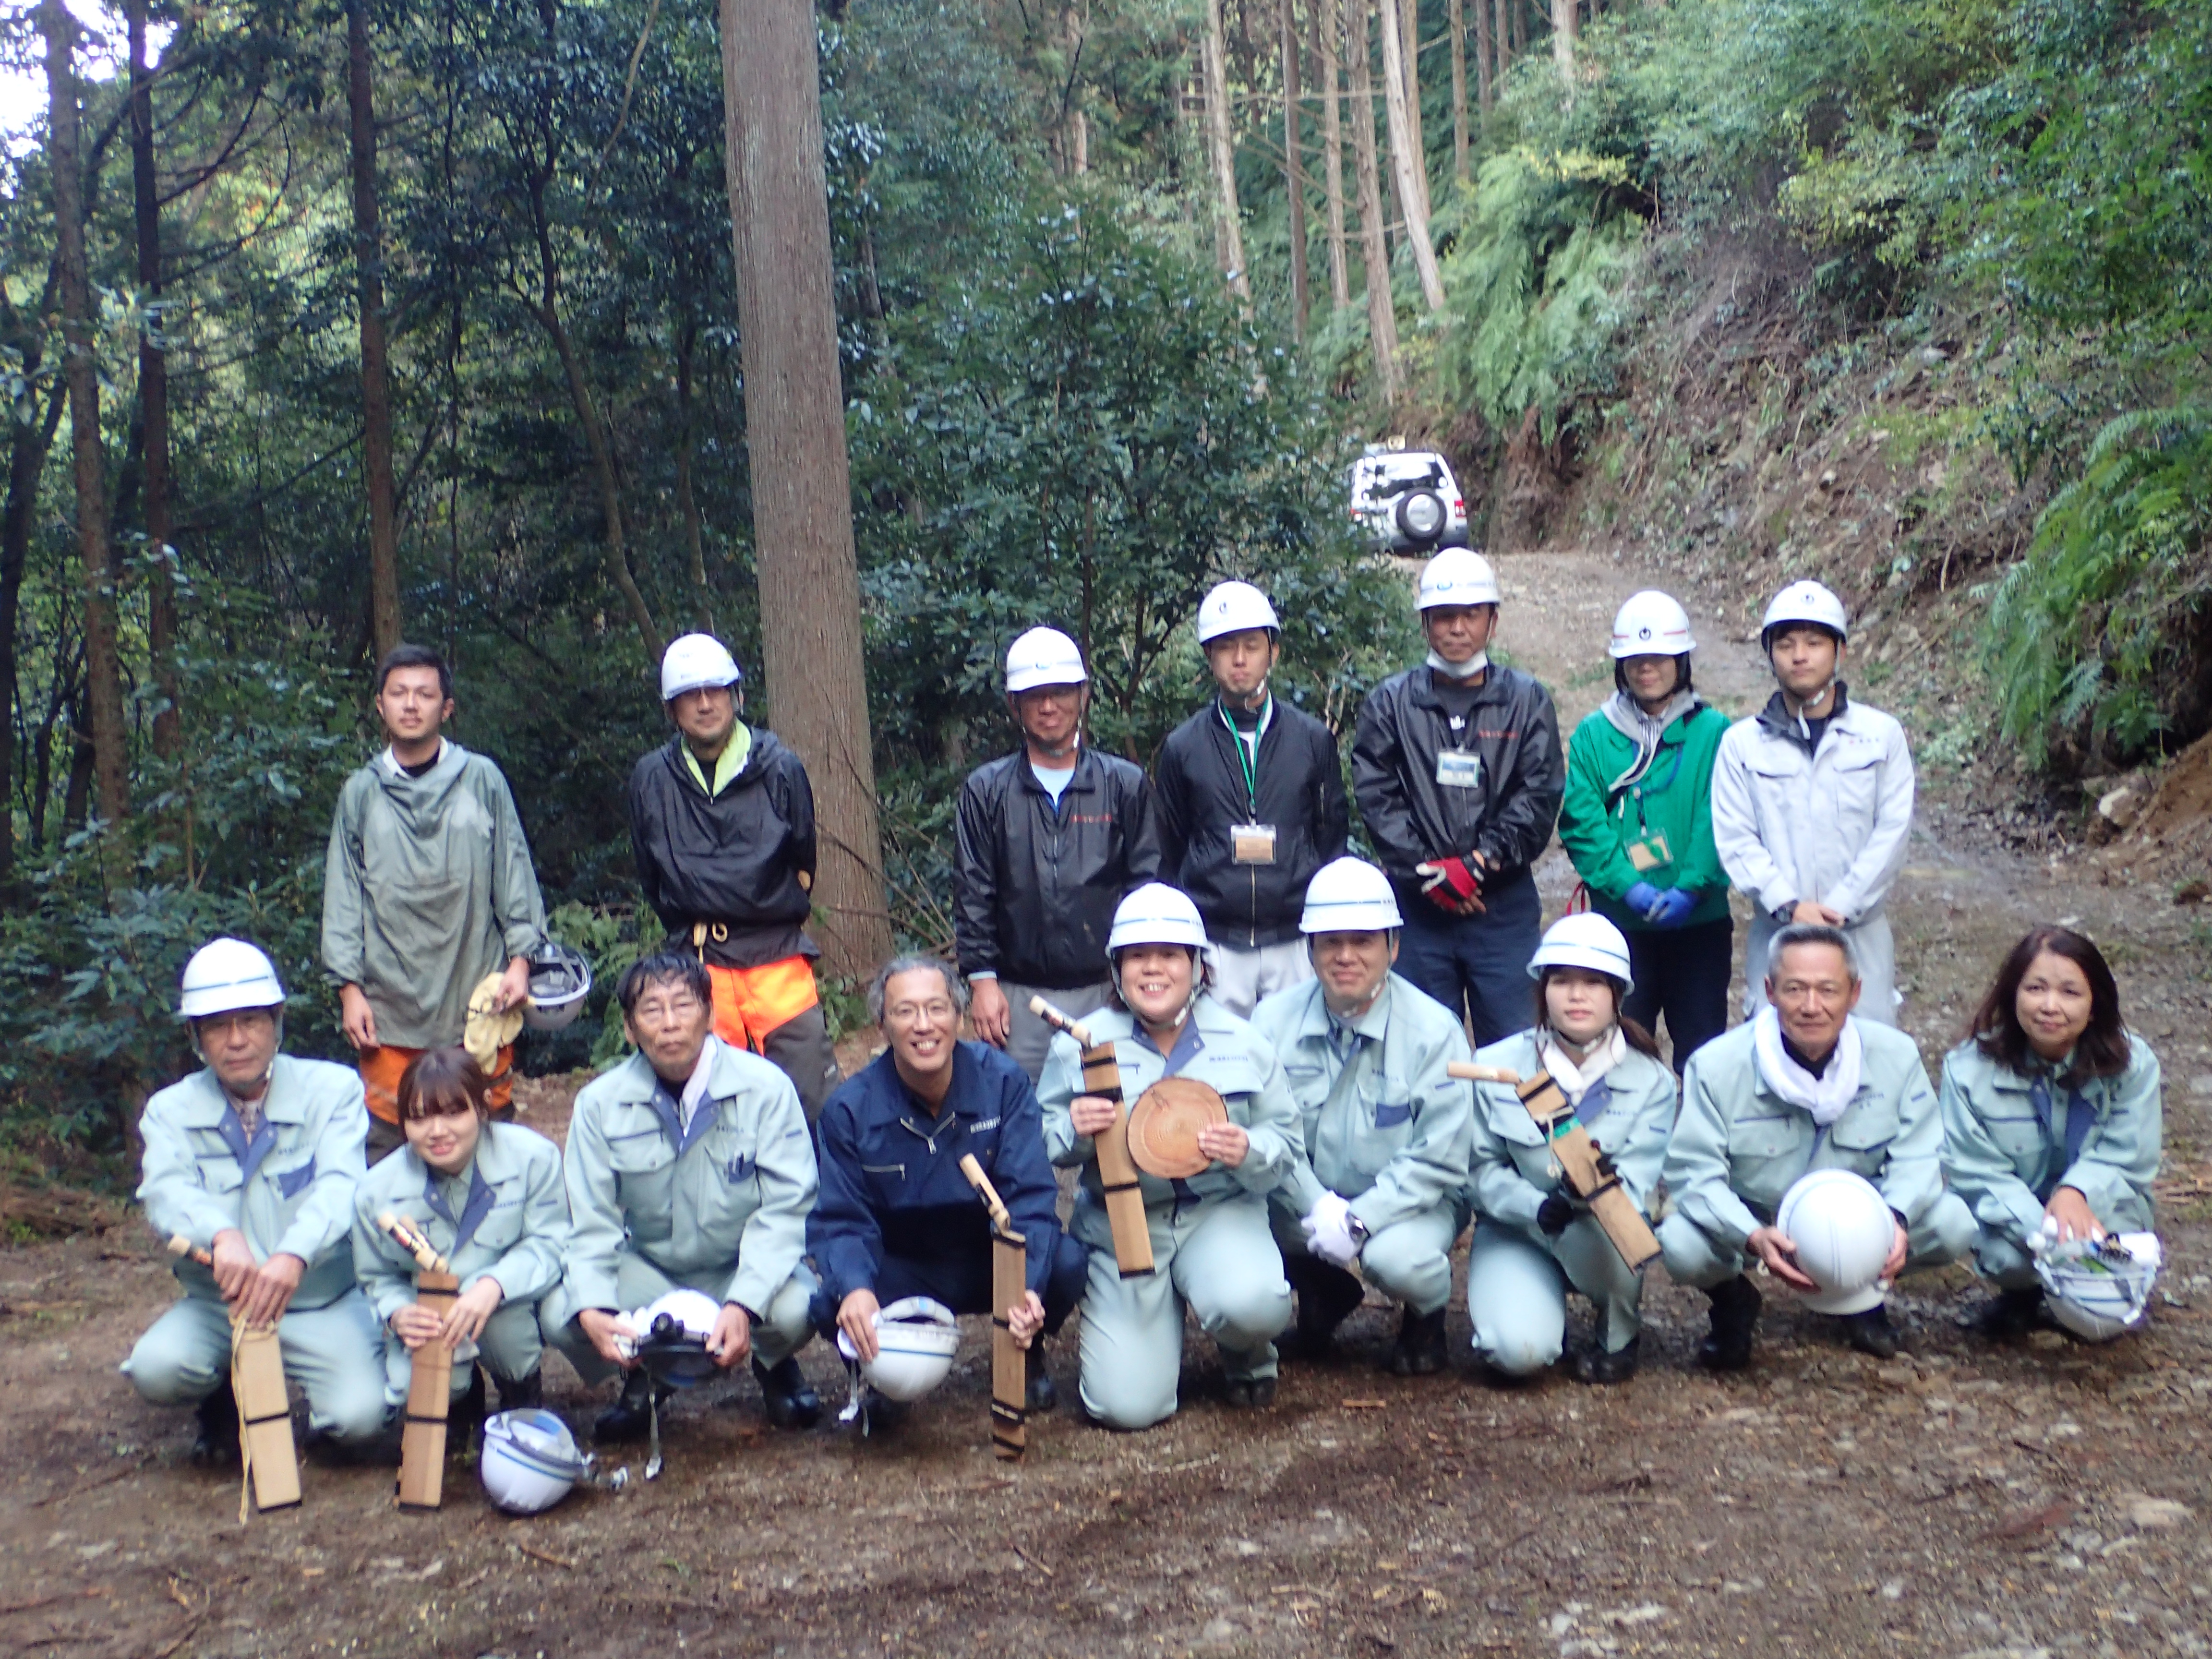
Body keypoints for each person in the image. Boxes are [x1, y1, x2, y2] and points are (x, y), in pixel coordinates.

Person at [1038, 884, 1299, 1427]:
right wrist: (1074, 1128)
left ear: (1198, 965)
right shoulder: (1080, 1046)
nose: (1153, 969)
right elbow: (1039, 1142)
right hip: (1126, 1228)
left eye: (1169, 955)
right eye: (1137, 956)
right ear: (1116, 968)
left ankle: (1247, 1353)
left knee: (1253, 1302)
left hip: (1219, 1215)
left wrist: (1248, 1148)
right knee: (1126, 1408)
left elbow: (1287, 1139)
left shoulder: (1244, 1041)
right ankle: (1154, 1330)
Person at [1659, 924, 1975, 1366]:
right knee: (1681, 1242)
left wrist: (1894, 1219)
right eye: (1795, 989)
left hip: (1863, 1217)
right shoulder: (1715, 1066)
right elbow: (1694, 1172)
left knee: (1952, 1222)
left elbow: (1920, 1153)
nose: (1812, 1006)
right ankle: (1733, 1302)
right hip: (1759, 1218)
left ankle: (1864, 1294)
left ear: (1855, 992)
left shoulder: (1896, 1056)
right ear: (1769, 991)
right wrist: (1750, 1235)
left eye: (1828, 990)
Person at [124, 939, 385, 1458]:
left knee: (362, 1419)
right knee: (157, 1368)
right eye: (218, 1026)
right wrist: (221, 1236)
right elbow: (164, 1191)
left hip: (316, 1299)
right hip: (220, 1305)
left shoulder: (332, 1090)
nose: (237, 1040)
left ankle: (325, 1408)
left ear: (278, 1022)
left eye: (252, 1021)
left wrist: (295, 1254)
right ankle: (221, 1396)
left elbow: (343, 1185)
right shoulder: (169, 1111)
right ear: (196, 1036)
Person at [546, 951, 821, 1439]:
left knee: (799, 1308)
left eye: (683, 1006)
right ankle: (642, 1378)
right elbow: (589, 1222)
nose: (670, 1024)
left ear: (711, 1015)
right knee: (562, 1312)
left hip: (740, 1267)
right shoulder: (599, 1105)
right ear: (630, 1030)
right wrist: (592, 1304)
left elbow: (787, 1208)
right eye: (651, 1011)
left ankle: (773, 1364)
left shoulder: (765, 1088)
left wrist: (744, 1303)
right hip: (651, 1271)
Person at [809, 956, 1088, 1413]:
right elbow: (842, 1219)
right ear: (882, 1024)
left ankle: (1025, 1352)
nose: (924, 1025)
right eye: (905, 1011)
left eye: (937, 1008)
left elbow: (1032, 1197)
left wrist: (1030, 1287)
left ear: (959, 1016)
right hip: (903, 1266)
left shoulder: (1003, 1083)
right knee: (831, 1299)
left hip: (990, 1257)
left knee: (1066, 1263)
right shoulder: (849, 1110)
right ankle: (880, 1376)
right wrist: (857, 1286)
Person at [323, 643, 548, 1161]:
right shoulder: (361, 792)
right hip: (390, 1003)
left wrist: (521, 963)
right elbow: (343, 896)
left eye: (425, 694)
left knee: (488, 1131)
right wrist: (348, 990)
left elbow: (513, 873)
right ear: (379, 705)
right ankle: (397, 1242)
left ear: (446, 707)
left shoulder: (482, 779)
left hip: (477, 994)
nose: (410, 705)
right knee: (391, 1135)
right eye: (398, 693)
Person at [1251, 857, 1472, 1376]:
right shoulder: (1270, 1021)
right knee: (1237, 1218)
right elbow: (1266, 1132)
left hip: (1412, 1203)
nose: (1345, 956)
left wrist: (1359, 1219)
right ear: (1310, 950)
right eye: (1330, 942)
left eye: (1363, 941)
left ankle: (1426, 1315)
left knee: (1394, 1260)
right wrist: (1317, 1204)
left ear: (1393, 947)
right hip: (1309, 1194)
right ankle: (1320, 1293)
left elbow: (1439, 1158)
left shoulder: (1435, 1031)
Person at [626, 633, 842, 1122]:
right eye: (690, 695)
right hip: (697, 963)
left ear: (736, 695)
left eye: (716, 690)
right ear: (672, 709)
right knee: (705, 1109)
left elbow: (802, 859)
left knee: (812, 1103)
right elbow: (651, 874)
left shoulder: (780, 768)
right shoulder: (652, 779)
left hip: (777, 959)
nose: (705, 704)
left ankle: (825, 1199)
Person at [1352, 549, 1563, 1046]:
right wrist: (1431, 874)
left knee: (1520, 1048)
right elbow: (1376, 795)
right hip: (1419, 910)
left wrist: (1478, 864)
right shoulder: (1391, 702)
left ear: (1493, 621)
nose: (1457, 628)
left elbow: (1538, 795)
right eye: (1445, 616)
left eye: (1471, 614)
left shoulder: (1526, 701)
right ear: (1426, 623)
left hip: (1503, 909)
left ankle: (1516, 1128)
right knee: (1419, 1049)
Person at [1463, 914, 1677, 1384]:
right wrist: (1533, 1206)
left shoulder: (1653, 1083)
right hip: (1519, 1231)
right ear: (1543, 990)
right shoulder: (1495, 1066)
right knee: (1516, 1353)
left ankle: (1618, 1335)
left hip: (1602, 1232)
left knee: (1622, 1228)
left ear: (1618, 994)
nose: (1577, 995)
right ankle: (1532, 1307)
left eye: (1594, 983)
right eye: (1562, 981)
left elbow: (1639, 1186)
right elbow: (1479, 1171)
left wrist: (1591, 1192)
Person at [956, 627, 1163, 1081]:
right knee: (1021, 1126)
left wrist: (1136, 973)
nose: (1049, 708)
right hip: (1018, 997)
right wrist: (982, 982)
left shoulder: (1123, 785)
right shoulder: (987, 791)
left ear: (1083, 696)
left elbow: (1147, 886)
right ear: (1015, 705)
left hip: (1106, 991)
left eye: (1060, 693)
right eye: (1034, 697)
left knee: (1112, 1120)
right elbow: (974, 891)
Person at [1939, 926, 2162, 1337]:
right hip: (2018, 1222)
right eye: (2036, 988)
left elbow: (2131, 1155)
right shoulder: (1967, 1070)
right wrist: (2048, 1233)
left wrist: (2075, 1193)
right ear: (2013, 995)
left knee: (2105, 1319)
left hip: (2100, 1212)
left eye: (2070, 993)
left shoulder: (2135, 1065)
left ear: (2096, 1005)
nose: (2050, 1006)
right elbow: (1975, 1171)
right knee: (2006, 1257)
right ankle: (2024, 1294)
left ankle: (2086, 1297)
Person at [1712, 580, 1914, 1027]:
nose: (1799, 655)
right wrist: (1788, 905)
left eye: (1814, 643)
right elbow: (1736, 837)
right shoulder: (1742, 745)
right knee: (1776, 1058)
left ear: (1839, 651)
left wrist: (1842, 904)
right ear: (1770, 655)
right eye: (1786, 645)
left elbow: (1893, 831)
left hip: (1860, 935)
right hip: (1778, 934)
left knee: (1869, 1056)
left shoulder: (1881, 736)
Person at [350, 1046, 569, 1441]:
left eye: (454, 1113)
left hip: (507, 1304)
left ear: (482, 1108)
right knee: (414, 1386)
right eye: (420, 1118)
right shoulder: (375, 1192)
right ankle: (460, 1401)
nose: (437, 1131)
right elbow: (375, 1276)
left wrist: (494, 1285)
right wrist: (399, 1313)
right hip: (433, 1314)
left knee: (507, 1329)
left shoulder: (533, 1158)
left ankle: (520, 1390)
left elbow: (552, 1241)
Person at [1555, 590, 1733, 1070]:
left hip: (1699, 926)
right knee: (1615, 1051)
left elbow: (1721, 815)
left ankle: (1697, 1140)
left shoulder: (1715, 733)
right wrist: (1627, 887)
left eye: (1657, 658)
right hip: (1619, 926)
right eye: (1634, 659)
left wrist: (1693, 887)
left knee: (1702, 1054)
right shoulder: (1594, 736)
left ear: (1681, 660)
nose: (1646, 668)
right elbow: (1582, 820)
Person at [1154, 581, 1349, 1018]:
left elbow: (1331, 835)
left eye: (1251, 646)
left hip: (1294, 939)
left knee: (1296, 1062)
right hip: (1217, 941)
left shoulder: (1312, 740)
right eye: (1225, 647)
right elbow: (1168, 846)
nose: (1239, 659)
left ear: (1273, 653)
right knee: (1219, 1066)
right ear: (1209, 657)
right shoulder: (1183, 747)